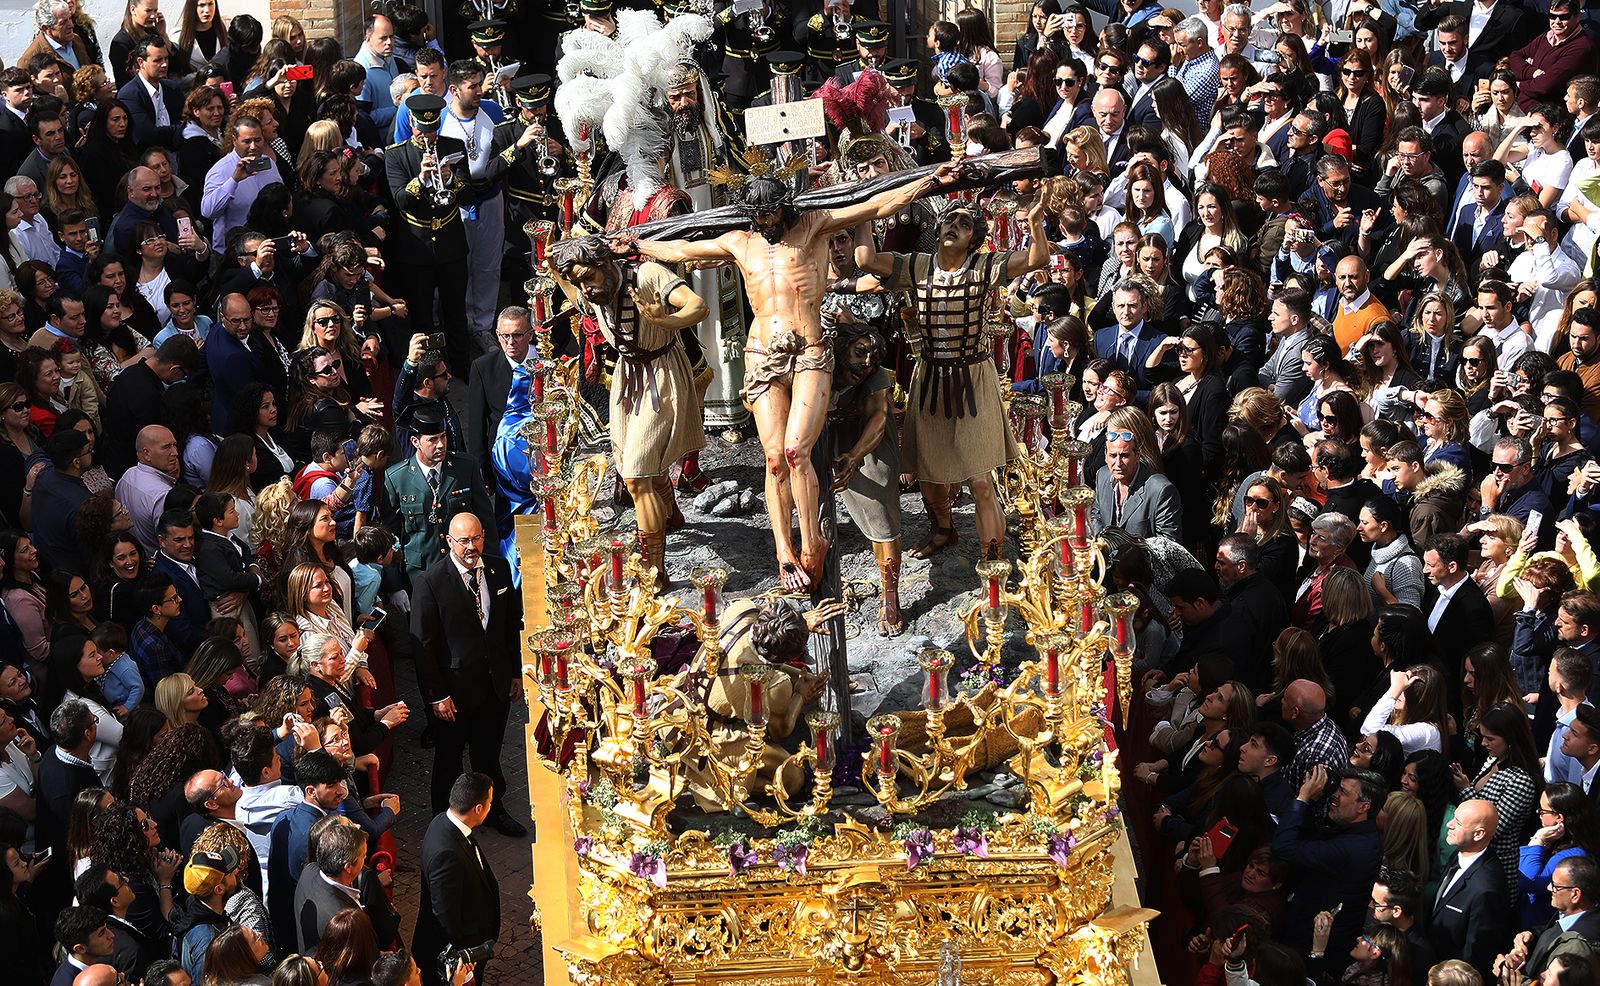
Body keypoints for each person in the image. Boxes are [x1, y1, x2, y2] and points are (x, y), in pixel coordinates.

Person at [623, 159, 966, 591]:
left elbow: (875, 206)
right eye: (757, 218)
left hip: (808, 349)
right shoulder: (740, 242)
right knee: (772, 458)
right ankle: (784, 547)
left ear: (784, 208)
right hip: (762, 350)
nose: (764, 224)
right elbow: (682, 250)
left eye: (769, 216)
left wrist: (930, 181)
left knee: (795, 452)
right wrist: (636, 244)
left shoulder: (814, 226)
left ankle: (814, 540)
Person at [547, 239, 707, 587]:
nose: (586, 288)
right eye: (579, 282)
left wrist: (664, 320)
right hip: (628, 377)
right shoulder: (593, 291)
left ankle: (653, 572)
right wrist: (554, 268)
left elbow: (698, 306)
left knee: (635, 474)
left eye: (589, 277)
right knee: (636, 461)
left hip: (662, 373)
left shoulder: (647, 275)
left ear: (605, 263)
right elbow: (577, 299)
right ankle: (669, 514)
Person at [410, 514, 524, 835]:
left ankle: (493, 810)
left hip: (494, 687)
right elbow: (423, 647)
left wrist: (514, 672)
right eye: (463, 541)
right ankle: (443, 826)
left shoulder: (498, 568)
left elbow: (509, 626)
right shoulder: (430, 583)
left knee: (488, 755)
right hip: (454, 695)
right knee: (449, 761)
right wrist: (436, 695)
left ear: (484, 536)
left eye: (476, 539)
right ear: (449, 541)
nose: (471, 547)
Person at [1271, 764, 1384, 958]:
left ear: (1363, 806)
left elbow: (1283, 848)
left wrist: (1303, 799)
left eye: (1343, 792)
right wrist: (1314, 800)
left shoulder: (1350, 848)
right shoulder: (1364, 834)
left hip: (1310, 943)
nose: (1334, 795)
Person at [412, 772, 500, 986]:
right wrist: (465, 968)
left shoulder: (442, 821)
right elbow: (445, 918)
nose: (491, 806)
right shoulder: (447, 855)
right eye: (489, 802)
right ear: (478, 809)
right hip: (461, 955)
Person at [1431, 798, 1509, 981]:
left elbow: (1476, 954)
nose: (1449, 825)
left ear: (1479, 834)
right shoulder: (1459, 856)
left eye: (1457, 823)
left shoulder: (1487, 889)